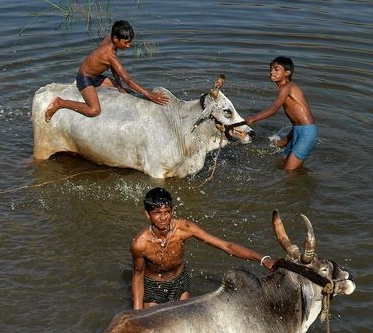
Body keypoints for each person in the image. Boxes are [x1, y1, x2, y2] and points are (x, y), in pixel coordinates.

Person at [131, 188, 275, 309]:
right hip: (153, 286)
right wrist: (136, 314)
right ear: (147, 214)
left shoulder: (184, 229)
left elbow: (226, 246)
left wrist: (262, 259)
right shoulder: (140, 244)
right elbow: (138, 275)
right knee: (153, 326)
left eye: (167, 212)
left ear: (172, 210)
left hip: (179, 281)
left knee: (187, 321)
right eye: (157, 213)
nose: (163, 218)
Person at [44, 20, 168, 122]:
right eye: (125, 43)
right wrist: (149, 94)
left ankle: (116, 86)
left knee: (126, 90)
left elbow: (113, 68)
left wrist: (119, 86)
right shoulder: (110, 56)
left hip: (96, 77)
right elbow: (128, 79)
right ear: (116, 39)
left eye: (129, 42)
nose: (128, 45)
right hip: (84, 78)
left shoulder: (109, 39)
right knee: (94, 110)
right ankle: (60, 102)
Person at [247, 56, 317, 171]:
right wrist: (284, 141)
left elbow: (273, 109)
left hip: (307, 133)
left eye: (276, 69)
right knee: (284, 162)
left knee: (288, 171)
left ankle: (294, 186)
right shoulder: (286, 88)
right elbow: (297, 122)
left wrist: (251, 119)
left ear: (287, 73)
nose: (271, 71)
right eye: (270, 69)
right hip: (298, 131)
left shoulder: (287, 87)